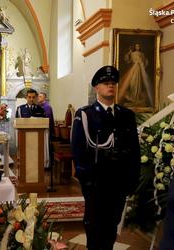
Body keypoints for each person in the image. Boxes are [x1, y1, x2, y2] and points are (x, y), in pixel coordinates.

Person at [71, 66, 140, 250]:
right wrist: (85, 178)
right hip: (96, 182)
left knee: (112, 224)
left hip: (119, 182)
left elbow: (134, 150)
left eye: (113, 83)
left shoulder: (127, 116)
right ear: (97, 88)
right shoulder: (85, 114)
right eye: (106, 83)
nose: (111, 86)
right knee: (94, 226)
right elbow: (78, 150)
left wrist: (132, 180)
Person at [118, 43, 153, 107]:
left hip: (139, 70)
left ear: (140, 47)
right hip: (133, 69)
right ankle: (133, 97)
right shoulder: (132, 53)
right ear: (135, 47)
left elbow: (145, 62)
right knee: (132, 83)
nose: (137, 47)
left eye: (138, 46)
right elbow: (127, 60)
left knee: (139, 84)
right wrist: (129, 52)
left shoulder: (142, 54)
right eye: (136, 46)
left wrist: (143, 63)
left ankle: (137, 98)